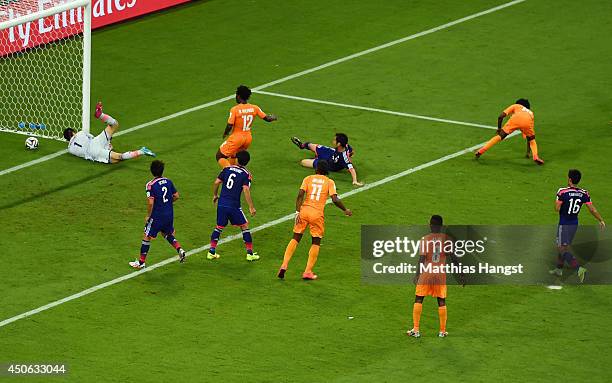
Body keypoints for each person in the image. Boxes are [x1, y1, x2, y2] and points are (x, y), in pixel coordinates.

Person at [278, 159, 352, 280]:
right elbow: (334, 199)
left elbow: (300, 195)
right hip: (316, 214)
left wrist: (297, 211)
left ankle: (284, 264)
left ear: (316, 169)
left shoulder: (308, 178)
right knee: (316, 242)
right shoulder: (329, 182)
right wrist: (345, 210)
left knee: (295, 238)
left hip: (304, 211)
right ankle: (307, 271)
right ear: (326, 171)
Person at [407, 215, 462, 338]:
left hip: (427, 273)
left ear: (430, 225)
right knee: (441, 301)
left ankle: (416, 330)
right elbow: (453, 258)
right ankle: (442, 331)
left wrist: (417, 275)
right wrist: (461, 274)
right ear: (441, 227)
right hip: (439, 274)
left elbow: (422, 259)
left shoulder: (425, 239)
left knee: (419, 298)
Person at [550, 169, 605, 282]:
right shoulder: (584, 193)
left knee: (561, 248)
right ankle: (559, 269)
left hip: (564, 224)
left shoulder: (562, 192)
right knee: (564, 246)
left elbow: (557, 209)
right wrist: (601, 220)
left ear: (569, 179)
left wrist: (558, 201)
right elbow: (592, 209)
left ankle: (579, 269)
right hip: (574, 224)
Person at [129, 160, 187, 269]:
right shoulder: (168, 181)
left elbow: (151, 202)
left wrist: (148, 215)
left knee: (146, 235)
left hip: (157, 216)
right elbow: (176, 196)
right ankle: (180, 249)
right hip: (169, 214)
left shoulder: (150, 185)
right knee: (166, 233)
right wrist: (167, 203)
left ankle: (141, 262)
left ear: (151, 171)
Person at [64, 102, 155, 163]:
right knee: (114, 125)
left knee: (118, 158)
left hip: (93, 153)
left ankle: (142, 151)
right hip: (95, 143)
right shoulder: (80, 133)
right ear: (73, 132)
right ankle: (101, 115)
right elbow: (91, 137)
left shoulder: (70, 149)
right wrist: (107, 142)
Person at [208, 150, 258, 261]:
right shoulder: (246, 174)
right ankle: (250, 253)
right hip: (234, 205)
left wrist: (215, 195)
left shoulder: (226, 169)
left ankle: (211, 251)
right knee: (244, 226)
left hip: (222, 203)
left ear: (236, 159)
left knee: (219, 227)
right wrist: (251, 206)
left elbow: (216, 182)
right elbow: (245, 189)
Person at [216, 85, 277, 168]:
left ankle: (228, 172)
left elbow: (230, 125)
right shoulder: (255, 108)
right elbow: (267, 118)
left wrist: (225, 133)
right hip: (247, 138)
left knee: (220, 156)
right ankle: (235, 174)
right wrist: (273, 117)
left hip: (236, 138)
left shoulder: (235, 109)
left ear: (238, 96)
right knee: (234, 155)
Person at [475, 99, 544, 165]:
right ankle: (535, 156)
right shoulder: (531, 113)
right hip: (527, 122)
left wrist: (499, 129)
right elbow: (528, 138)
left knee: (499, 137)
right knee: (532, 140)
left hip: (515, 119)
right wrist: (528, 152)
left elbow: (500, 117)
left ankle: (480, 151)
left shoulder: (515, 105)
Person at [291, 133, 364, 186]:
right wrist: (350, 155)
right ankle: (302, 146)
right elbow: (352, 152)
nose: (333, 141)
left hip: (328, 164)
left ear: (339, 144)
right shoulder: (346, 146)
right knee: (310, 145)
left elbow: (351, 169)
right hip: (330, 153)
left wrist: (355, 180)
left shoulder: (344, 157)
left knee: (302, 162)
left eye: (334, 140)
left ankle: (315, 159)